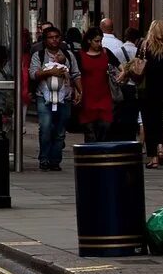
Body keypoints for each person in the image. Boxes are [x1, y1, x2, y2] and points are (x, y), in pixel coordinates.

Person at [30, 23, 81, 171]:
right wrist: (50, 71)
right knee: (45, 128)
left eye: (57, 37)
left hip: (64, 97)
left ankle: (55, 160)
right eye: (50, 38)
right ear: (45, 40)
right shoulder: (38, 55)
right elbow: (33, 74)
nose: (54, 40)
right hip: (44, 97)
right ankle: (44, 158)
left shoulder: (68, 55)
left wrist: (80, 91)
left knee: (60, 131)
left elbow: (76, 74)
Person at [131, 20, 163, 168]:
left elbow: (138, 65)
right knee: (159, 120)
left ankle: (153, 157)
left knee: (148, 122)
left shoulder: (145, 46)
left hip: (146, 90)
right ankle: (160, 146)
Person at [75, 28, 115, 142]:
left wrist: (120, 76)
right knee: (89, 132)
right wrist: (77, 92)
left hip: (104, 96)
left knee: (105, 126)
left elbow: (121, 67)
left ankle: (101, 152)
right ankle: (91, 155)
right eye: (96, 41)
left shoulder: (106, 52)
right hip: (87, 96)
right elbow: (75, 74)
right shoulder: (80, 55)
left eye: (100, 41)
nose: (99, 44)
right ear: (89, 41)